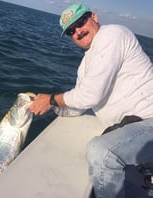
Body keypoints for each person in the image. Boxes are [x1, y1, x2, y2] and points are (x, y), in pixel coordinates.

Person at [29, 3, 153, 198]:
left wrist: (52, 99)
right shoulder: (86, 65)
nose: (77, 31)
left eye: (80, 22)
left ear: (94, 17)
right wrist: (47, 106)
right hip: (134, 129)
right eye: (71, 30)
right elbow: (79, 105)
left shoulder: (112, 34)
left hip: (149, 121)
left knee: (101, 153)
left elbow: (90, 94)